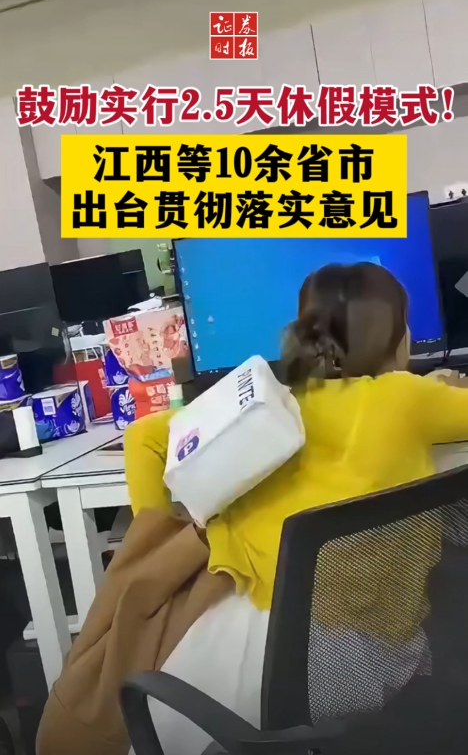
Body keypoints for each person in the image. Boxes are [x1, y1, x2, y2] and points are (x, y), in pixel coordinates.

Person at [124, 262, 468, 754]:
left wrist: (157, 538)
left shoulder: (272, 402)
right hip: (380, 659)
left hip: (269, 657)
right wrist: (446, 387)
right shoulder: (410, 399)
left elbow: (142, 439)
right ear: (396, 338)